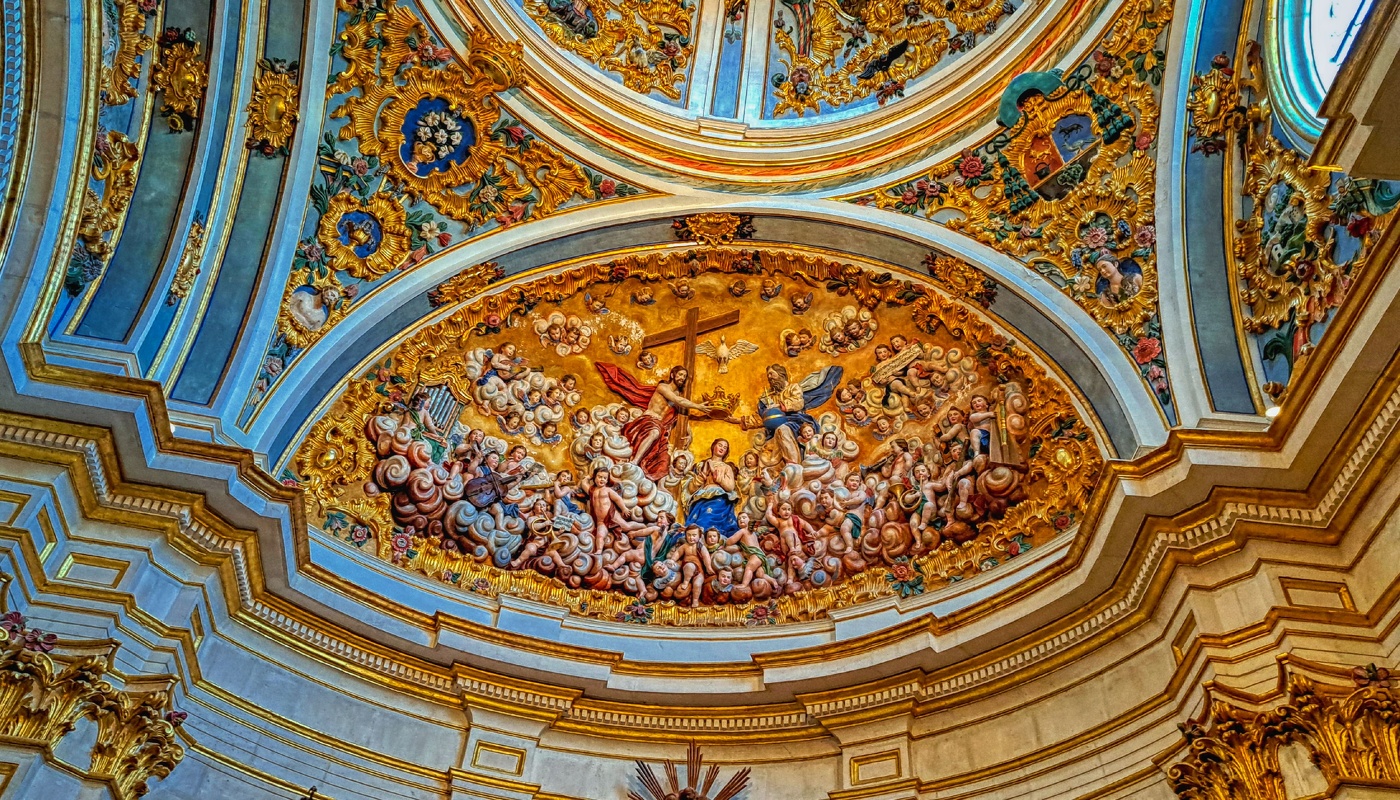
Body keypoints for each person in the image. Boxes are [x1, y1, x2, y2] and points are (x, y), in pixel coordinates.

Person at [595, 364, 713, 480]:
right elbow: (678, 401)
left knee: (664, 458)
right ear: (672, 375)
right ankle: (634, 461)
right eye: (680, 374)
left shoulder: (678, 396)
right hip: (648, 420)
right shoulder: (663, 387)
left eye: (684, 376)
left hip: (659, 425)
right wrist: (698, 406)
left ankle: (656, 483)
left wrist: (689, 433)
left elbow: (680, 414)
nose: (682, 377)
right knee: (654, 433)